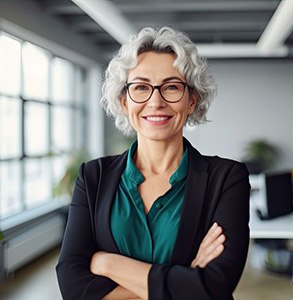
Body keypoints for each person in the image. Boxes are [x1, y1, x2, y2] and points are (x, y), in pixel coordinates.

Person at [56, 27, 250, 300]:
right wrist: (185, 279)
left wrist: (107, 263)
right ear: (124, 101)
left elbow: (213, 288)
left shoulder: (227, 178)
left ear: (192, 99)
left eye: (172, 87)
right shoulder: (92, 177)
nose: (155, 102)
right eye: (141, 88)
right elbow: (73, 288)